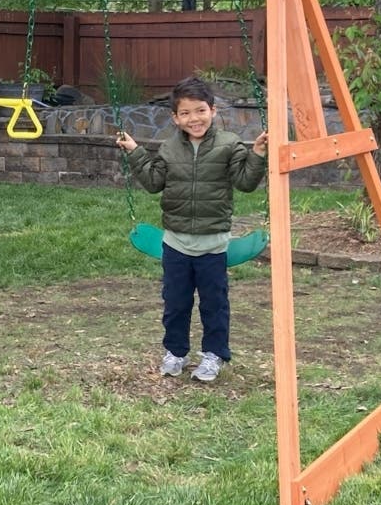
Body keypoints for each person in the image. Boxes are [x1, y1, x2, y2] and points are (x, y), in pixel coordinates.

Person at [115, 76, 268, 382]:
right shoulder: (170, 148)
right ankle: (175, 352)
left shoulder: (229, 144)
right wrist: (134, 151)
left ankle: (213, 356)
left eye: (200, 111)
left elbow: (246, 182)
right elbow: (154, 182)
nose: (193, 119)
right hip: (176, 244)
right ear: (175, 117)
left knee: (214, 304)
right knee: (176, 304)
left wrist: (259, 155)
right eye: (185, 113)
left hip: (213, 245)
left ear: (212, 110)